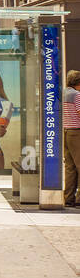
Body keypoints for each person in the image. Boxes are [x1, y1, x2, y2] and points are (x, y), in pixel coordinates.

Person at [63, 69, 80, 207]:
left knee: (70, 167)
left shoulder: (62, 94)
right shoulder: (77, 95)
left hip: (66, 132)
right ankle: (79, 199)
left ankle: (68, 199)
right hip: (77, 133)